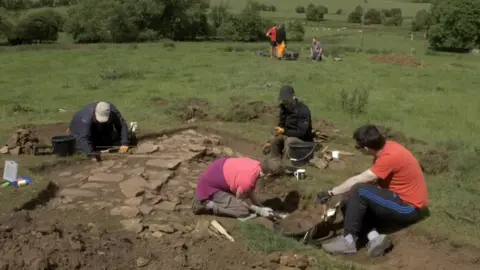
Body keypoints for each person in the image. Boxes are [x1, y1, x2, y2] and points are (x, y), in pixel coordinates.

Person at [316, 124, 429, 257]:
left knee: (358, 190)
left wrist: (330, 192)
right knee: (348, 202)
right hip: (396, 198)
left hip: (409, 207)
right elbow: (372, 181)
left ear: (366, 148)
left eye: (357, 147)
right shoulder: (387, 148)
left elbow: (359, 181)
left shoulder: (389, 157)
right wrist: (343, 199)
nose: (357, 149)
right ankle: (375, 238)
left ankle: (348, 242)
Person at [192, 157, 284, 218]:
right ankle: (207, 204)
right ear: (269, 174)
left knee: (247, 200)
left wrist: (261, 206)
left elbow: (249, 191)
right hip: (209, 187)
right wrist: (259, 210)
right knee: (243, 211)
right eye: (275, 178)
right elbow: (241, 199)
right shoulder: (247, 181)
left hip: (220, 170)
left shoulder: (257, 165)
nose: (275, 180)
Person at [264, 85, 313, 160]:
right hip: (288, 135)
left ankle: (285, 164)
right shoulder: (284, 108)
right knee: (274, 138)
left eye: (286, 100)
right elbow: (281, 125)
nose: (284, 102)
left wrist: (284, 131)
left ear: (293, 96)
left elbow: (302, 133)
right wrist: (270, 141)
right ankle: (273, 161)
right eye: (283, 100)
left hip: (303, 140)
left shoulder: (303, 110)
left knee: (289, 141)